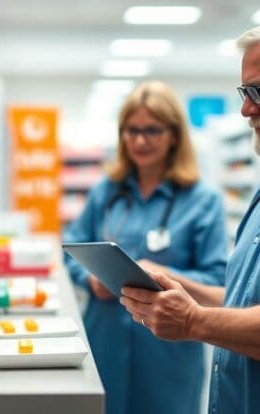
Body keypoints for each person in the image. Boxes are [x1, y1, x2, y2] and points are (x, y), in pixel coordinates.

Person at [63, 80, 228, 414]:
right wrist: (91, 281)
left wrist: (167, 274)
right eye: (131, 130)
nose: (139, 140)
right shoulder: (106, 191)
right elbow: (73, 251)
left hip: (167, 354)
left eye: (152, 130)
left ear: (174, 135)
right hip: (104, 340)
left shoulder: (203, 201)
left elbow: (218, 282)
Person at [120, 26, 260, 414]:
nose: (246, 110)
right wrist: (174, 284)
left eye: (259, 92)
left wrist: (195, 322)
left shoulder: (202, 200)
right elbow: (240, 301)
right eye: (245, 93)